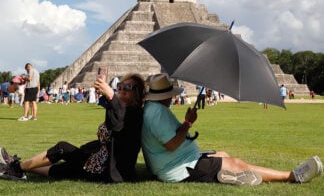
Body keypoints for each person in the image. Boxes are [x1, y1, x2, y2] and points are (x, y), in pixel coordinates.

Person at [141, 73, 323, 185]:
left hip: (182, 161)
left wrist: (187, 122)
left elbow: (169, 137)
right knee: (236, 163)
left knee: (223, 154)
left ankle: (226, 176)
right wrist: (188, 123)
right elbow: (171, 144)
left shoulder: (155, 109)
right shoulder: (156, 112)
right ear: (165, 95)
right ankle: (292, 176)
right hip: (178, 169)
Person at [0, 73, 146, 183]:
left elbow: (117, 125)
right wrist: (110, 98)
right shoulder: (121, 108)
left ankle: (16, 166)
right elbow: (112, 125)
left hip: (107, 169)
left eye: (128, 87)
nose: (121, 89)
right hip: (98, 160)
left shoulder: (135, 113)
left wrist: (110, 96)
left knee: (62, 148)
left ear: (137, 92)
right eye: (119, 86)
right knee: (62, 169)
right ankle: (18, 169)